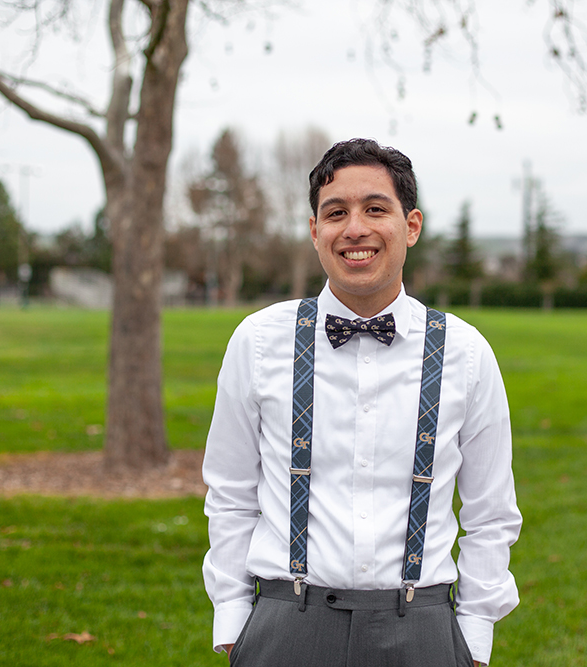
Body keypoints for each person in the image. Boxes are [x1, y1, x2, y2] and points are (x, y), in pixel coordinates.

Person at [202, 138, 521, 667]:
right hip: (287, 626)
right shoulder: (258, 343)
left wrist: (474, 636)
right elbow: (232, 494)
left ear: (411, 226)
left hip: (424, 631)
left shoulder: (466, 353)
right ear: (314, 231)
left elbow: (491, 513)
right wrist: (236, 620)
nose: (355, 229)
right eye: (336, 213)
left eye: (376, 209)